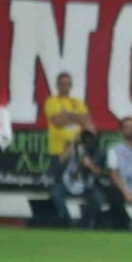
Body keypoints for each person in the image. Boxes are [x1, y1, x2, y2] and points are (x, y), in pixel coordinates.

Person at [43, 73, 93, 225]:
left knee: (83, 184)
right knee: (59, 186)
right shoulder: (52, 101)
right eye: (62, 83)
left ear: (71, 85)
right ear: (57, 85)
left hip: (79, 151)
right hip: (59, 151)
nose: (65, 86)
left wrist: (68, 115)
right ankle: (65, 220)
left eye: (67, 83)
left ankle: (85, 220)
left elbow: (87, 122)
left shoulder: (77, 102)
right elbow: (57, 121)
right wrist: (76, 117)